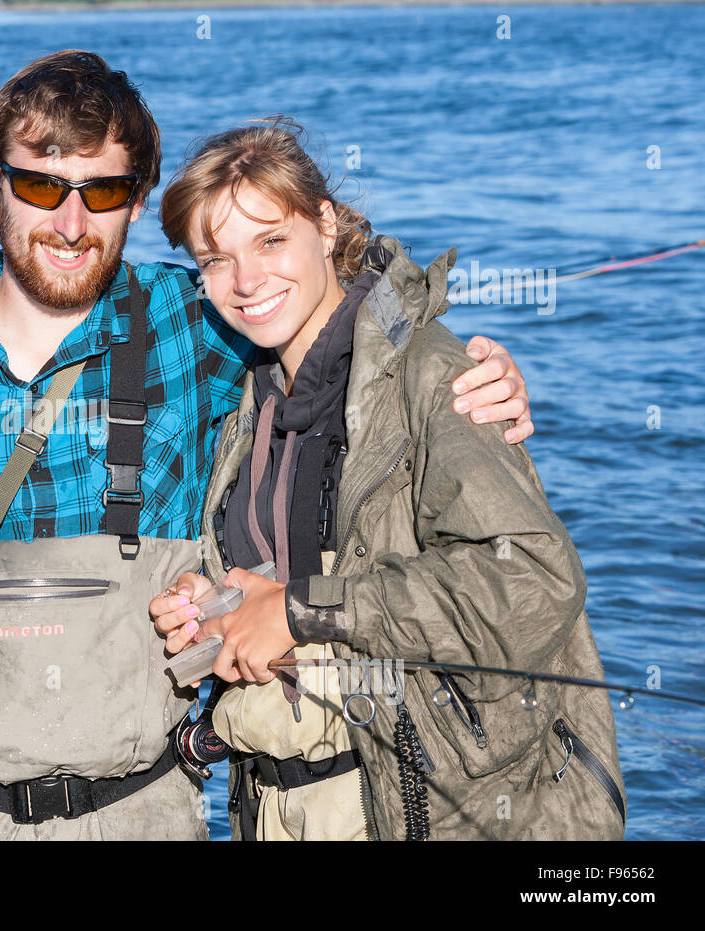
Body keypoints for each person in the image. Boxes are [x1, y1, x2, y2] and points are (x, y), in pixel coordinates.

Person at [0, 51, 533, 840]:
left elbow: (342, 324)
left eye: (103, 191)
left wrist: (455, 371)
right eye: (42, 186)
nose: (72, 223)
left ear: (138, 202)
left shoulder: (204, 325)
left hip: (142, 811)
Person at [149, 116, 625, 840]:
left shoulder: (435, 377)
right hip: (273, 809)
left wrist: (300, 610)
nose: (245, 281)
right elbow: (279, 574)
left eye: (271, 240)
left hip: (426, 810)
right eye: (214, 259)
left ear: (326, 224)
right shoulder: (249, 398)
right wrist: (212, 599)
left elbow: (533, 581)